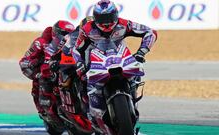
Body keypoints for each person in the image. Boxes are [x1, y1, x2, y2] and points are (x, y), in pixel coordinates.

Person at [72, 0, 157, 134]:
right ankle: (90, 113)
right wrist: (79, 64)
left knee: (135, 78)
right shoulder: (87, 29)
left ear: (116, 15)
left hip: (121, 58)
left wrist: (141, 53)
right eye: (102, 18)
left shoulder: (124, 24)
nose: (106, 22)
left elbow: (150, 32)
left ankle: (132, 96)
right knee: (83, 82)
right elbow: (76, 49)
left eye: (109, 17)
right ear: (95, 17)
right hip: (96, 62)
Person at [19, 20, 75, 134]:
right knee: (38, 84)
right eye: (63, 34)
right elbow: (24, 62)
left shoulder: (73, 43)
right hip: (46, 72)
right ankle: (44, 112)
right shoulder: (41, 43)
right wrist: (35, 69)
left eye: (69, 34)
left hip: (66, 70)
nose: (66, 37)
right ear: (55, 33)